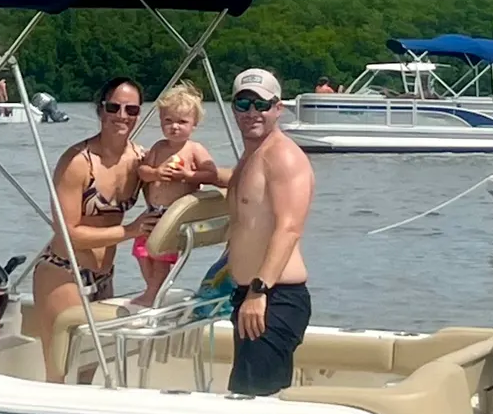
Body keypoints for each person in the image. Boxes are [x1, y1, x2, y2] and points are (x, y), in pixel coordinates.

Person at [30, 75, 146, 365]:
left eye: (131, 110)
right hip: (63, 272)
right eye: (113, 107)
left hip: (104, 276)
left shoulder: (141, 160)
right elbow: (68, 233)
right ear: (100, 110)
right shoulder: (78, 162)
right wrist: (130, 231)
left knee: (92, 367)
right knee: (62, 367)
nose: (122, 116)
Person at [222, 67, 314, 396]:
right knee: (244, 395)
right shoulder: (251, 157)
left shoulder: (284, 157)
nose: (252, 113)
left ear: (278, 108)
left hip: (274, 298)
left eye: (261, 105)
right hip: (248, 296)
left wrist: (259, 291)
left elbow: (289, 229)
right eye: (243, 104)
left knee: (254, 401)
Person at [131, 83, 228, 304]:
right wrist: (156, 172)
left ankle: (152, 293)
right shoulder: (158, 147)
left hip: (174, 216)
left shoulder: (194, 149)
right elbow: (142, 171)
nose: (174, 127)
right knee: (142, 254)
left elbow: (210, 172)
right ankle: (153, 289)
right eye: (168, 121)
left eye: (182, 122)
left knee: (161, 256)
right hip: (153, 212)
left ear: (194, 124)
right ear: (161, 122)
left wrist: (187, 175)